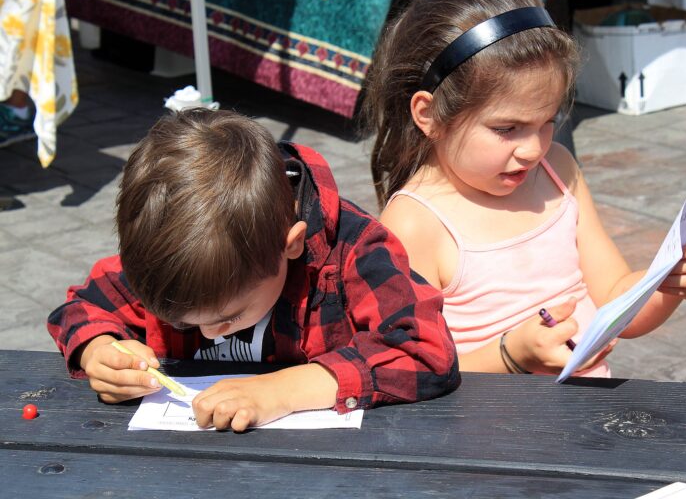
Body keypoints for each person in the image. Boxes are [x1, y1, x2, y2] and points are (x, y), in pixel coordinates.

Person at [364, 0, 686, 376]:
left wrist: (668, 285)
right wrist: (512, 356)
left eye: (547, 121)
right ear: (430, 115)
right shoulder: (415, 223)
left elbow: (615, 301)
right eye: (506, 129)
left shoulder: (558, 172)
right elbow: (407, 373)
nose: (533, 149)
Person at [47, 109, 460, 431]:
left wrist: (281, 391)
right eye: (183, 321)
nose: (210, 333)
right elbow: (83, 307)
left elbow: (425, 351)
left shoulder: (353, 252)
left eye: (229, 317)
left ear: (292, 245)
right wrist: (100, 351)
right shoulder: (181, 252)